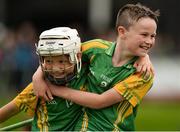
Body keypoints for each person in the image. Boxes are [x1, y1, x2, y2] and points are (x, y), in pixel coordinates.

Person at [32, 3, 159, 131]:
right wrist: (37, 76)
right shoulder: (95, 48)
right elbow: (60, 53)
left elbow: (100, 101)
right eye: (144, 35)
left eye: (152, 36)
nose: (149, 41)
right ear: (122, 32)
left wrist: (52, 88)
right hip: (83, 126)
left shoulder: (144, 74)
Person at [0, 27, 87, 131]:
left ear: (77, 56)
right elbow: (10, 110)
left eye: (61, 61)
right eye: (49, 61)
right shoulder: (37, 87)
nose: (55, 69)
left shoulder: (87, 76)